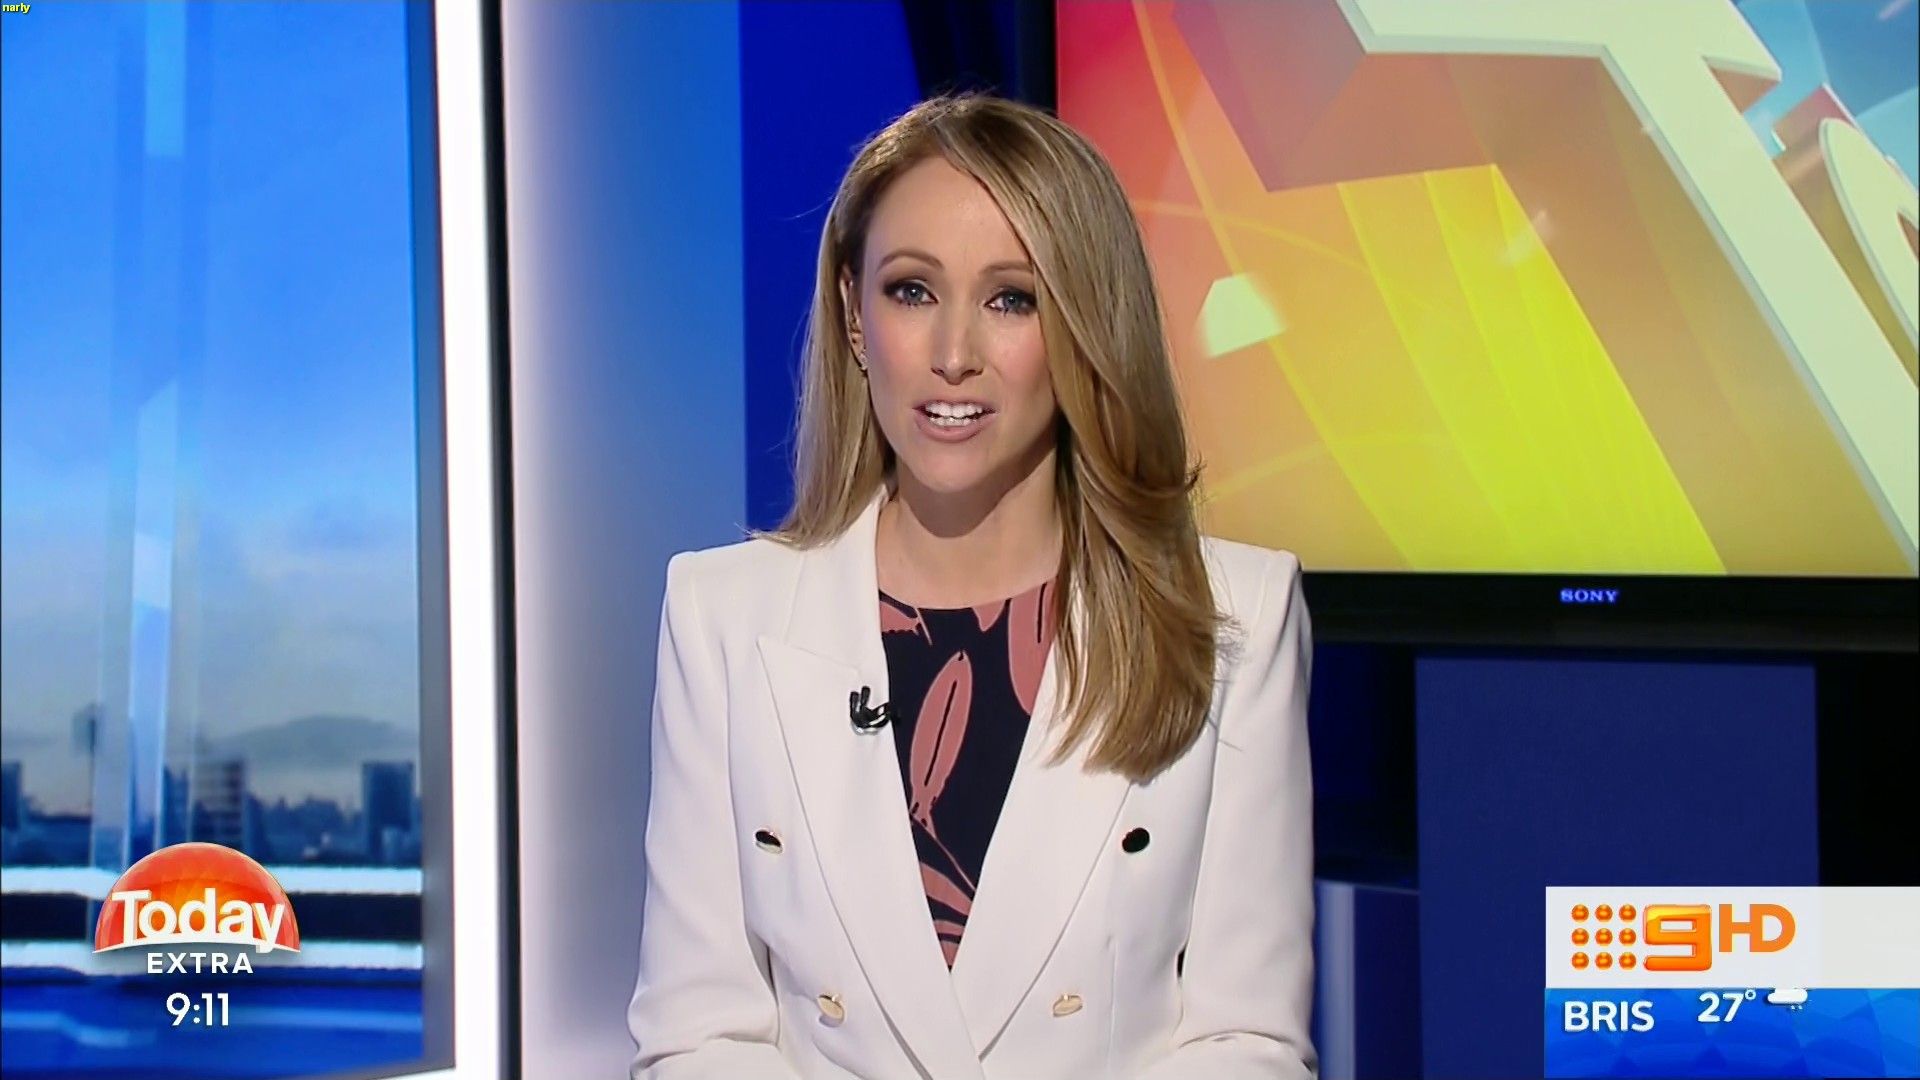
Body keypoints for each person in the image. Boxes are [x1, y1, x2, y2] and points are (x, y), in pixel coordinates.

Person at [627, 93, 1315, 1080]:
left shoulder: (1234, 618)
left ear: (1083, 322)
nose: (953, 355)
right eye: (911, 291)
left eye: (1011, 300)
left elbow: (1244, 1044)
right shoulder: (723, 619)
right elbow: (697, 1039)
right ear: (854, 315)